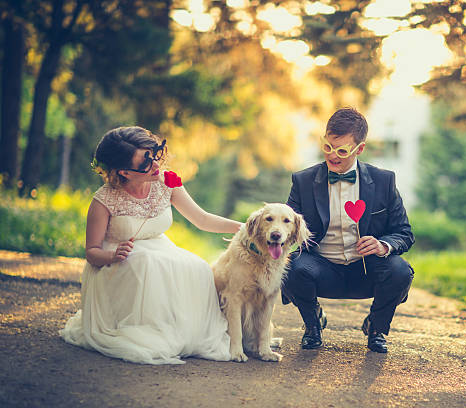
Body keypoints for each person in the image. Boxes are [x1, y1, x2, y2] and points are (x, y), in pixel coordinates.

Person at [60, 126, 242, 364]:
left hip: (160, 248)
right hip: (116, 262)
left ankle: (182, 332)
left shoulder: (166, 182)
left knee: (197, 266)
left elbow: (202, 219)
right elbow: (92, 252)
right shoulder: (103, 201)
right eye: (146, 163)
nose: (156, 165)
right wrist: (113, 254)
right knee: (146, 264)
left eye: (155, 156)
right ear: (124, 172)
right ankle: (149, 332)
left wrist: (246, 227)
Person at [281, 108, 415, 353]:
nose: (333, 156)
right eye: (328, 147)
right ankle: (313, 324)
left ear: (359, 149)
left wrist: (382, 245)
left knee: (400, 270)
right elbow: (286, 227)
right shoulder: (303, 181)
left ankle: (377, 328)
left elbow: (404, 233)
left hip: (367, 270)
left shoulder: (384, 181)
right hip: (321, 268)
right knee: (290, 267)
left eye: (342, 150)